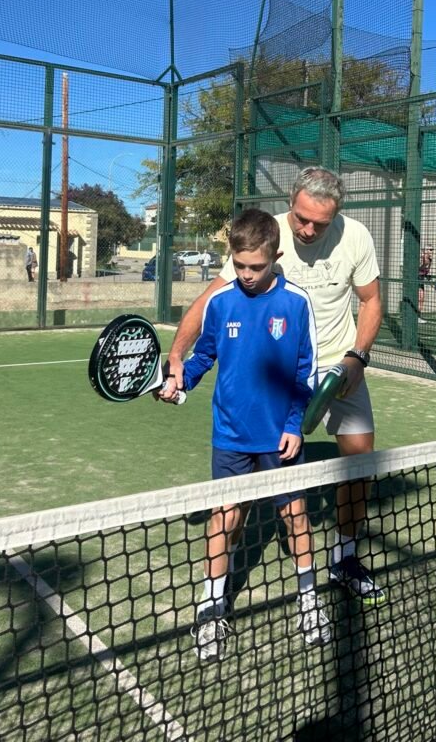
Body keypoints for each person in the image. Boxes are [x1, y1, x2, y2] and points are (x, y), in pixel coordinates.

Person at [164, 167, 385, 605]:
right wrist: (177, 356)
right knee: (243, 498)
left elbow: (371, 300)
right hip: (281, 373)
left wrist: (357, 357)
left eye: (319, 223)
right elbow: (211, 299)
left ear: (337, 213)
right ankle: (216, 591)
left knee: (361, 464)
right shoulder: (265, 238)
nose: (307, 229)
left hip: (340, 363)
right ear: (291, 201)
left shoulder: (356, 236)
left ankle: (344, 557)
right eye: (301, 218)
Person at [158, 208, 331, 661]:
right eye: (239, 266)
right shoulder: (220, 302)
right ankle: (211, 608)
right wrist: (181, 382)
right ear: (230, 257)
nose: (248, 275)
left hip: (280, 439)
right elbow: (203, 356)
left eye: (256, 266)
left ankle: (310, 602)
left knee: (295, 517)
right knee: (225, 519)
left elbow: (304, 371)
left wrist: (295, 425)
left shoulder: (296, 302)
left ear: (275, 255)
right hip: (230, 435)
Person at [418, 246, 433, 324]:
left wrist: (434, 283)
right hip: (415, 279)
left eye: (432, 249)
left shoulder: (430, 260)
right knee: (419, 298)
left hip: (421, 280)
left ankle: (418, 316)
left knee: (421, 299)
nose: (431, 251)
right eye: (429, 249)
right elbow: (419, 268)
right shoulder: (421, 258)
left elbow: (426, 272)